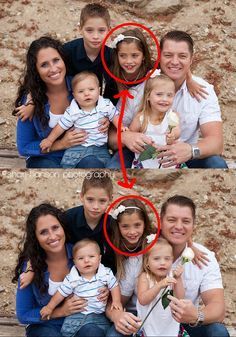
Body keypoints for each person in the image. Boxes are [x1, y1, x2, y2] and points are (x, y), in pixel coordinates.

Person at [106, 195, 229, 337]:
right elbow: (113, 302)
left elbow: (218, 308)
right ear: (161, 222)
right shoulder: (141, 255)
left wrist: (196, 315)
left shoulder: (203, 257)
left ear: (193, 225)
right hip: (142, 319)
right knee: (114, 334)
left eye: (186, 221)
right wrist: (117, 316)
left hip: (181, 320)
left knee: (218, 332)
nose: (178, 226)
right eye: (171, 220)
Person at [119, 30, 228, 168]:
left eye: (182, 56)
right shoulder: (138, 90)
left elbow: (216, 143)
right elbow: (111, 135)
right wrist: (125, 137)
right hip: (141, 154)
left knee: (216, 163)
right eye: (168, 55)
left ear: (191, 59)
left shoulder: (203, 91)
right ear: (159, 57)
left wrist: (190, 150)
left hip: (183, 154)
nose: (175, 62)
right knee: (115, 164)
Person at [14, 36, 109, 168]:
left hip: (82, 154)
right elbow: (24, 147)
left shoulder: (80, 87)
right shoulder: (31, 101)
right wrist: (61, 144)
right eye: (44, 65)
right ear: (36, 70)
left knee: (93, 165)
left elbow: (103, 107)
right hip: (46, 157)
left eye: (56, 60)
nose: (53, 69)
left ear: (63, 60)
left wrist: (106, 120)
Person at [12, 203, 93, 337]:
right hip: (45, 326)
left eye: (55, 228)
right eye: (43, 232)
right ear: (36, 238)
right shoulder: (31, 267)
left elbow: (102, 277)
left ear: (63, 228)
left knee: (93, 332)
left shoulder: (81, 255)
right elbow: (24, 314)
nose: (52, 236)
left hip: (80, 323)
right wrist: (61, 311)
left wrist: (104, 291)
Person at [40, 71, 127, 168]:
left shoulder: (105, 104)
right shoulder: (73, 111)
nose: (86, 94)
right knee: (68, 172)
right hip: (77, 148)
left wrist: (120, 126)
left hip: (100, 148)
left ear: (98, 90)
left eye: (91, 89)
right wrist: (49, 140)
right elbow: (61, 126)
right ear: (74, 95)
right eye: (81, 91)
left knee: (104, 172)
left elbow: (114, 115)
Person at [40, 239, 122, 337]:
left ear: (99, 258)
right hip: (77, 315)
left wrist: (116, 301)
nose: (86, 260)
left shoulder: (106, 273)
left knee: (101, 332)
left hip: (99, 315)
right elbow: (60, 293)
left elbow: (114, 286)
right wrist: (50, 307)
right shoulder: (72, 278)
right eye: (81, 258)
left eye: (91, 256)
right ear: (74, 262)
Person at [129, 71, 181, 168]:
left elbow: (177, 130)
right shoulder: (141, 118)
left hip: (168, 163)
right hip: (145, 163)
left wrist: (173, 135)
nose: (165, 99)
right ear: (148, 96)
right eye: (159, 94)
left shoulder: (172, 116)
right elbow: (132, 135)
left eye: (169, 95)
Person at [137, 236, 185, 337]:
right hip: (149, 325)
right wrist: (159, 285)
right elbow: (142, 300)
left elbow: (180, 298)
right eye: (156, 259)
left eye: (167, 259)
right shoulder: (145, 277)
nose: (162, 262)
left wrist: (179, 279)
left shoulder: (172, 276)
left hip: (169, 325)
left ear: (172, 261)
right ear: (147, 262)